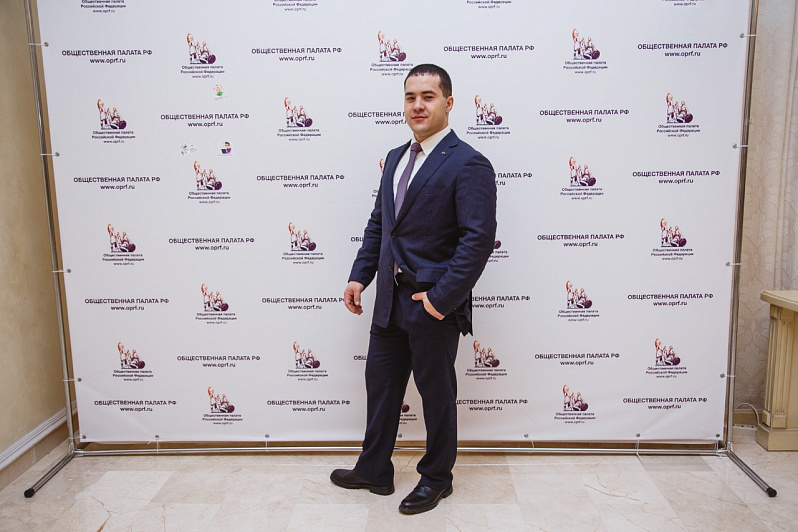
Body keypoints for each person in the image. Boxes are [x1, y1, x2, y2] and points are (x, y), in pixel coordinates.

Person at [330, 64, 497, 515]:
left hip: (431, 304)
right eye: (410, 97)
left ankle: (437, 478)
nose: (418, 105)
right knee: (381, 388)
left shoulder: (469, 163)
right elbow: (381, 225)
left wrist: (442, 300)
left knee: (436, 395)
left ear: (449, 102)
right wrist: (359, 275)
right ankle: (374, 469)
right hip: (388, 301)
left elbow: (477, 240)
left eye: (428, 96)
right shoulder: (395, 157)